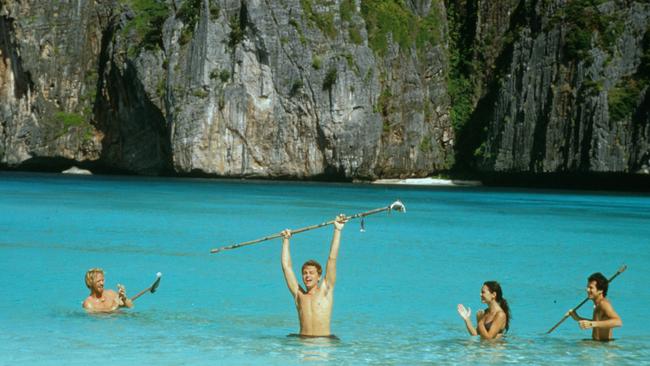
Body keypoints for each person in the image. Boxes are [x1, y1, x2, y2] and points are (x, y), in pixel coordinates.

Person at [280, 214, 348, 337]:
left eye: (311, 273)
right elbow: (287, 267)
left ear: (319, 276)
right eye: (305, 273)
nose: (307, 276)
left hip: (323, 343)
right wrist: (285, 241)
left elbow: (332, 258)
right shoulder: (298, 295)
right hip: (302, 343)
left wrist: (337, 230)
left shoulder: (326, 290)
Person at [567, 272, 622, 341]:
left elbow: (618, 322)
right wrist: (578, 318)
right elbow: (598, 323)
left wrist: (592, 324)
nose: (587, 290)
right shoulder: (597, 304)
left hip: (604, 346)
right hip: (597, 346)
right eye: (587, 287)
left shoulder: (604, 304)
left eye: (591, 288)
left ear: (600, 290)